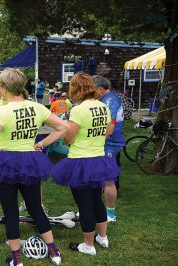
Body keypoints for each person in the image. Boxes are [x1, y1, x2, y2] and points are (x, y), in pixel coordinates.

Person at [0, 68, 68, 266]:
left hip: (5, 163)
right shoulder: (37, 107)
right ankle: (54, 252)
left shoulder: (2, 111)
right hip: (30, 162)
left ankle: (17, 260)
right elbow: (64, 127)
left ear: (3, 87)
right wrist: (42, 144)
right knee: (35, 206)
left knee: (10, 211)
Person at [50, 72, 120, 256]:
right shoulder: (103, 107)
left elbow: (68, 139)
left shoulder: (79, 110)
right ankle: (102, 238)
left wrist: (65, 126)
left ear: (75, 89)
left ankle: (88, 246)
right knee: (96, 200)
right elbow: (106, 133)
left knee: (84, 204)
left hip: (80, 162)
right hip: (98, 159)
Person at [93, 75, 125, 222]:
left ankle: (110, 214)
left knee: (108, 181)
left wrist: (94, 142)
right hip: (105, 144)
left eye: (92, 89)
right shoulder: (104, 99)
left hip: (110, 145)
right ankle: (97, 209)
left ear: (100, 89)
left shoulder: (110, 101)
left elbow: (109, 129)